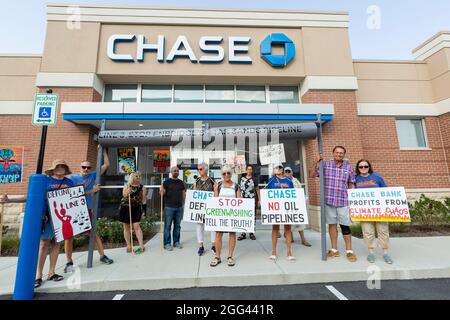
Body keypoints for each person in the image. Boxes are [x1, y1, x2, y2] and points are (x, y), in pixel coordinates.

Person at [1, 160, 75, 288]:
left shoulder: (69, 183)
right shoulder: (45, 181)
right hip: (46, 217)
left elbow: (76, 198)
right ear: (53, 168)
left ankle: (51, 272)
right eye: (58, 166)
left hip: (61, 219)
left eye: (63, 166)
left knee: (56, 244)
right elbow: (31, 196)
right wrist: (10, 200)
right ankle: (38, 275)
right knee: (43, 244)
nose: (60, 168)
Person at [64, 149, 113, 273]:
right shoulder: (71, 179)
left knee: (93, 234)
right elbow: (70, 195)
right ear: (80, 167)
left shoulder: (92, 176)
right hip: (73, 210)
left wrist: (103, 151)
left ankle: (102, 256)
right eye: (84, 167)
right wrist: (91, 191)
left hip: (87, 210)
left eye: (88, 168)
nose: (86, 169)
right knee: (69, 237)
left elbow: (106, 165)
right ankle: (69, 262)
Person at [313, 146, 357, 262]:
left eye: (341, 153)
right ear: (333, 153)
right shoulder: (325, 165)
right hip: (329, 201)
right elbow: (313, 174)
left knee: (345, 225)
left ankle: (349, 251)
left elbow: (351, 184)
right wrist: (316, 162)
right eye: (337, 152)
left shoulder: (349, 168)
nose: (339, 154)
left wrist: (353, 200)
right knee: (332, 225)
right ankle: (334, 249)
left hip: (343, 201)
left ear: (344, 155)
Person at [355, 159, 392, 264]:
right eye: (361, 167)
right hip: (364, 211)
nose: (363, 168)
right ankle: (371, 253)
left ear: (369, 167)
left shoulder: (377, 177)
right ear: (358, 168)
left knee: (383, 231)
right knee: (368, 232)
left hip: (380, 210)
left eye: (365, 166)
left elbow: (386, 191)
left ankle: (385, 254)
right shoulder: (355, 179)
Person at [210, 166, 241, 267]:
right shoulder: (218, 185)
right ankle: (217, 257)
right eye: (224, 173)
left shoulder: (236, 186)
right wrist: (215, 190)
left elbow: (240, 201)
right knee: (218, 234)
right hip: (221, 215)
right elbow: (215, 200)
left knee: (232, 234)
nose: (226, 175)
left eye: (228, 173)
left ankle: (230, 256)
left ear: (231, 174)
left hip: (232, 214)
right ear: (222, 175)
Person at [266, 164, 296, 261]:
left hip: (287, 208)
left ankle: (289, 252)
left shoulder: (288, 181)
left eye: (279, 167)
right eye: (276, 168)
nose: (278, 169)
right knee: (275, 228)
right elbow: (266, 193)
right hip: (275, 208)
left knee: (288, 229)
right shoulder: (271, 180)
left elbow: (293, 194)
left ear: (283, 169)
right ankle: (273, 251)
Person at [119, 172, 147, 254]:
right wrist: (128, 191)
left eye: (139, 176)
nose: (138, 177)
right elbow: (124, 195)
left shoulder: (142, 187)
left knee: (136, 226)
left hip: (136, 208)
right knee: (126, 227)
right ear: (132, 177)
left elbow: (144, 200)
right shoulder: (127, 186)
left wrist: (144, 212)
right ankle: (128, 246)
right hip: (125, 208)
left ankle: (141, 246)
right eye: (136, 176)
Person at [284, 166, 311, 247]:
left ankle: (303, 239)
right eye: (286, 172)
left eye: (289, 171)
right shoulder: (282, 181)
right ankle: (290, 238)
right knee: (288, 223)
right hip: (287, 205)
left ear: (292, 172)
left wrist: (305, 199)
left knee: (299, 223)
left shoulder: (296, 181)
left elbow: (301, 191)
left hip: (296, 205)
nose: (288, 173)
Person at [193, 162, 217, 256]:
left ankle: (214, 245)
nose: (199, 171)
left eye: (200, 169)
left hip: (210, 206)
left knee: (212, 225)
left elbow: (215, 192)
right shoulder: (197, 181)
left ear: (206, 169)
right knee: (199, 225)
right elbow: (194, 193)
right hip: (199, 207)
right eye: (198, 169)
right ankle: (201, 246)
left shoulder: (212, 180)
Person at [160, 166, 186, 251]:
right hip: (169, 207)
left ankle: (176, 242)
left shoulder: (181, 182)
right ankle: (167, 244)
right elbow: (162, 194)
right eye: (174, 171)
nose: (176, 172)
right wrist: (161, 190)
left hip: (179, 207)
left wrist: (183, 204)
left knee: (177, 226)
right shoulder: (166, 182)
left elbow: (183, 193)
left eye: (177, 171)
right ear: (171, 172)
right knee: (167, 226)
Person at [237, 165, 260, 241]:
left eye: (251, 169)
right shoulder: (242, 178)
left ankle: (251, 232)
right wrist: (238, 198)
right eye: (248, 169)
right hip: (243, 200)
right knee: (243, 215)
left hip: (251, 200)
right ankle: (243, 232)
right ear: (246, 170)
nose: (249, 171)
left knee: (252, 216)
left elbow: (257, 189)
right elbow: (239, 189)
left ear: (252, 171)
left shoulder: (254, 179)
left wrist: (259, 200)